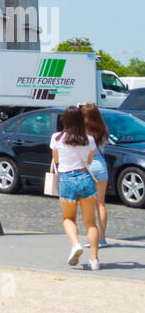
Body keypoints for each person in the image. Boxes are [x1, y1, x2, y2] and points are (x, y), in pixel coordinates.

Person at [50, 105, 100, 271]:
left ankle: (76, 244)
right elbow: (90, 161)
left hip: (67, 179)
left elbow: (56, 160)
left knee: (68, 218)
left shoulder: (57, 138)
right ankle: (94, 259)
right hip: (85, 177)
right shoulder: (89, 139)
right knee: (91, 223)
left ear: (65, 120)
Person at [81, 103, 110, 250]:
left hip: (88, 166)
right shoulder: (103, 129)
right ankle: (102, 238)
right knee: (101, 204)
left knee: (89, 205)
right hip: (101, 166)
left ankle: (91, 237)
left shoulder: (83, 132)